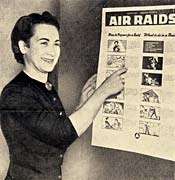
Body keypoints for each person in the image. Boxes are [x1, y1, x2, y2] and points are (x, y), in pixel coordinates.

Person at [0, 12, 127, 180]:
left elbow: (56, 136)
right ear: (24, 47)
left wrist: (82, 104)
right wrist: (103, 92)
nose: (52, 52)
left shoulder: (45, 86)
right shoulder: (15, 94)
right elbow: (61, 133)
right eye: (44, 43)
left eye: (56, 44)